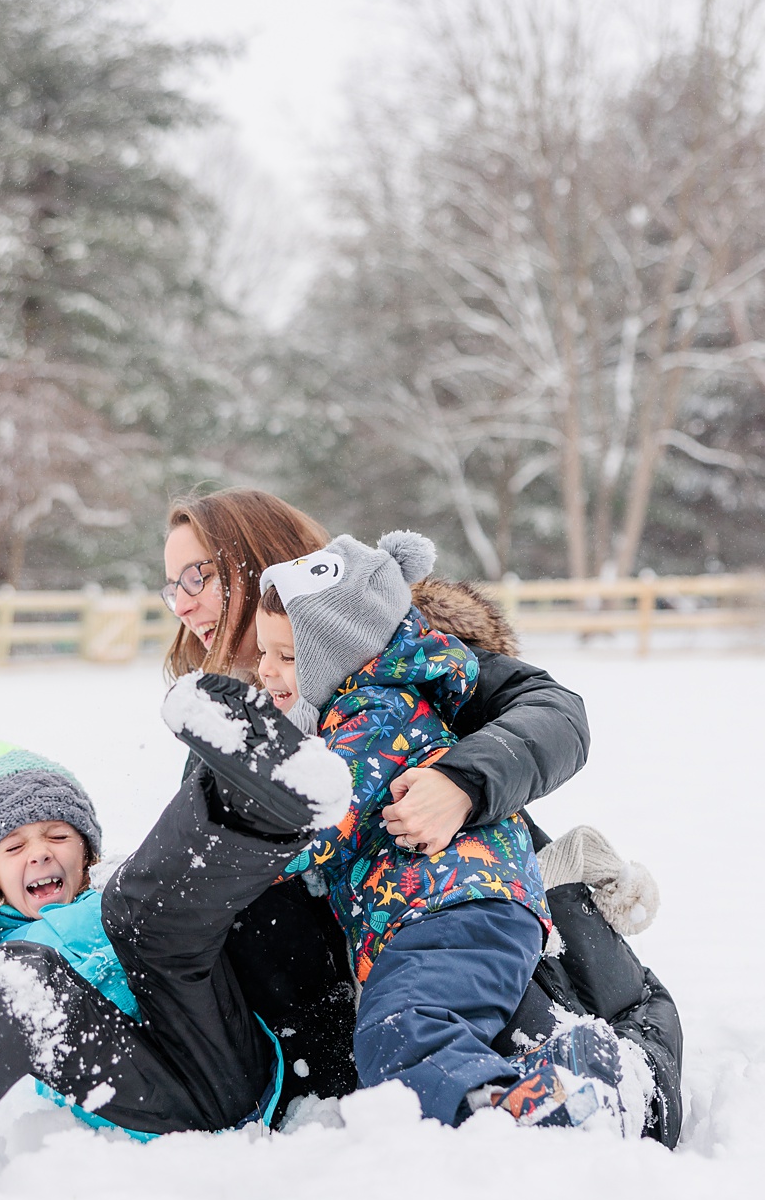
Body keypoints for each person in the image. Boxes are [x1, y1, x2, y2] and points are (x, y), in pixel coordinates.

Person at [160, 487, 684, 1142]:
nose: (181, 602)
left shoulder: (393, 657)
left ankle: (590, 1095)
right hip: (377, 991)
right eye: (169, 586)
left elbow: (555, 714)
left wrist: (460, 782)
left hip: (477, 932)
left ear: (257, 564)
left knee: (553, 1083)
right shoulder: (232, 731)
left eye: (196, 576)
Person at [0, 743, 299, 1137]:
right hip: (138, 1096)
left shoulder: (125, 903)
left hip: (227, 1060)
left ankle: (253, 801)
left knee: (145, 910)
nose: (39, 854)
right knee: (27, 983)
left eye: (57, 836)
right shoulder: (3, 966)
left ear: (87, 850)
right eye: (15, 846)